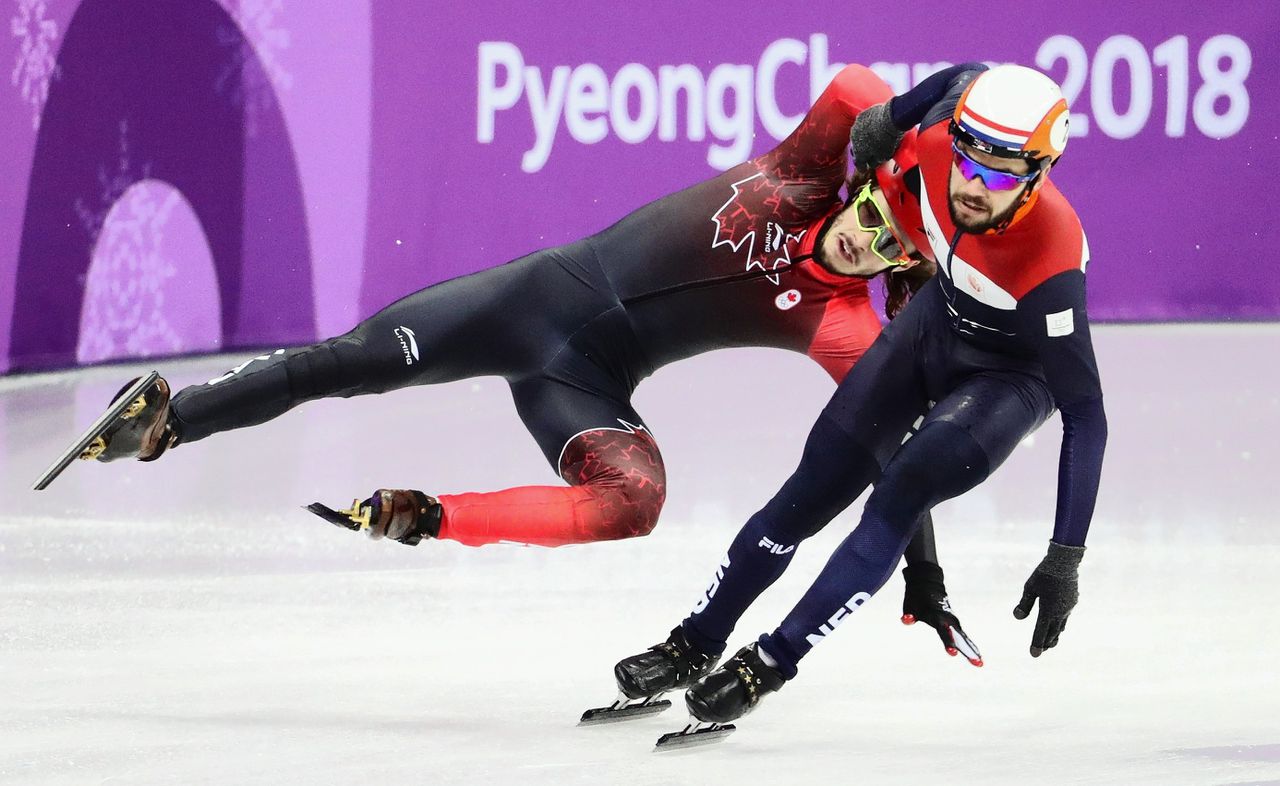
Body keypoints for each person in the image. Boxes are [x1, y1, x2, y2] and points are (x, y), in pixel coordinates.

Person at [82, 64, 978, 660]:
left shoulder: (840, 323)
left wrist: (925, 573)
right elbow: (887, 85)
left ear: (906, 266)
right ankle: (166, 421)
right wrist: (946, 112)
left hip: (580, 385)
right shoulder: (806, 165)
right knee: (349, 362)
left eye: (896, 248)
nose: (871, 243)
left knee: (635, 502)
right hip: (521, 305)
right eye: (879, 217)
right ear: (869, 187)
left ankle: (424, 516)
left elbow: (898, 449)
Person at [614, 62, 1107, 729]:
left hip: (1010, 379)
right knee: (811, 489)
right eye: (968, 158)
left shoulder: (1050, 264)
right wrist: (893, 116)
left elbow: (1086, 415)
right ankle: (694, 641)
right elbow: (967, 76)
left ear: (1040, 173)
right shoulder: (937, 143)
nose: (971, 185)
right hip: (937, 325)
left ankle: (771, 662)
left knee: (898, 492)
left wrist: (1064, 558)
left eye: (997, 174)